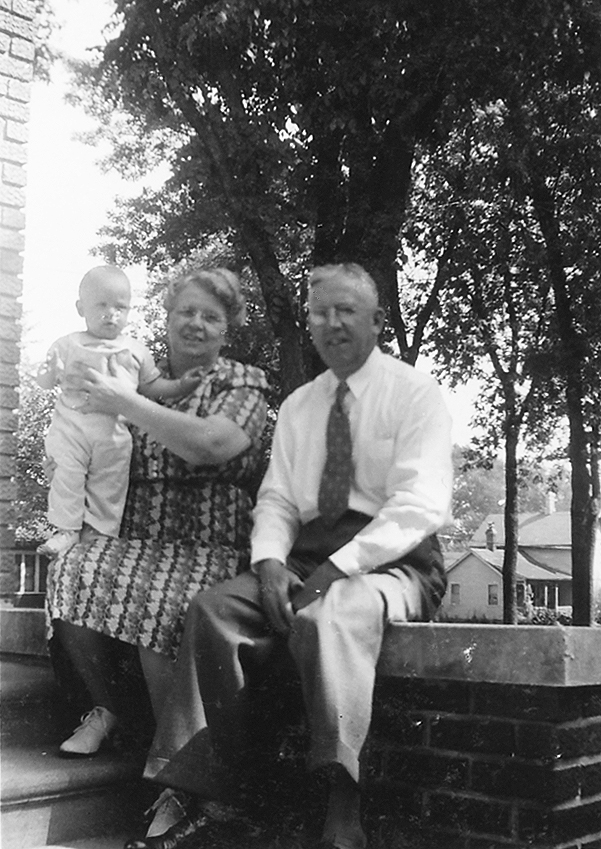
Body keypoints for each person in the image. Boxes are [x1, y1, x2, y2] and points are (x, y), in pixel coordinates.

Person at [128, 262, 453, 849]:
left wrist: (338, 569)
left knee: (329, 618)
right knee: (213, 612)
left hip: (396, 561)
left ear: (378, 321)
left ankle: (342, 811)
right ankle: (216, 802)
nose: (332, 324)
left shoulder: (414, 393)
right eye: (320, 313)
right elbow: (277, 498)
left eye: (346, 311)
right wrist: (271, 562)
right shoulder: (301, 405)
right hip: (306, 557)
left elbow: (418, 507)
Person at [45, 266, 269, 760]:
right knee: (70, 571)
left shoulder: (241, 381)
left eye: (211, 316)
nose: (196, 324)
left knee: (161, 601)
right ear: (167, 318)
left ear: (227, 327)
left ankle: (179, 769)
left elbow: (211, 445)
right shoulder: (133, 373)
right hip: (136, 539)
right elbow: (90, 444)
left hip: (211, 547)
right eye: (186, 311)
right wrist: (63, 456)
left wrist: (125, 402)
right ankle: (108, 709)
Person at [37, 264, 204, 557]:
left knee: (110, 484)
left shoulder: (135, 350)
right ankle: (66, 530)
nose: (110, 313)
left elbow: (152, 386)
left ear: (129, 310)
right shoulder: (67, 344)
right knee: (65, 475)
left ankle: (99, 535)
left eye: (120, 307)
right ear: (80, 308)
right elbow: (45, 382)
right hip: (70, 427)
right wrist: (49, 370)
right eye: (101, 305)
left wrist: (180, 386)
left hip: (113, 433)